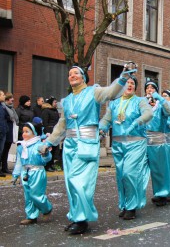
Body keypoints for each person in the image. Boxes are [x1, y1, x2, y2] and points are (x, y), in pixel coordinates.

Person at [41, 65, 130, 234]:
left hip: (87, 144)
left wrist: (123, 78)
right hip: (69, 146)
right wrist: (49, 143)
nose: (72, 75)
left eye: (76, 73)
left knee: (79, 182)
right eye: (69, 74)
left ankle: (82, 219)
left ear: (83, 77)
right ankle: (77, 217)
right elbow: (62, 126)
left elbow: (111, 92)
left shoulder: (93, 92)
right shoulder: (66, 101)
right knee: (71, 183)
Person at [100, 75, 152, 220]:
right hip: (118, 143)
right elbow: (107, 119)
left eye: (132, 83)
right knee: (121, 175)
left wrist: (137, 122)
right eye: (127, 83)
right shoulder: (114, 104)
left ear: (135, 87)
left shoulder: (140, 101)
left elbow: (149, 113)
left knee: (129, 173)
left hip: (136, 142)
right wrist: (102, 128)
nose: (129, 85)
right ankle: (124, 204)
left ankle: (132, 206)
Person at [12, 121, 53, 225]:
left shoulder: (40, 145)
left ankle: (47, 208)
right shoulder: (21, 147)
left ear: (34, 132)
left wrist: (45, 153)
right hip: (25, 172)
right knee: (28, 196)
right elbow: (19, 162)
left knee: (36, 194)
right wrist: (15, 175)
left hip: (37, 172)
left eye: (27, 131)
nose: (24, 134)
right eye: (23, 132)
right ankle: (31, 216)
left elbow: (47, 159)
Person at [145, 80, 170, 206]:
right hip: (142, 140)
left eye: (153, 88)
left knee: (159, 169)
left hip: (157, 139)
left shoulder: (162, 104)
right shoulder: (142, 103)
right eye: (147, 87)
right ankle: (135, 198)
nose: (149, 89)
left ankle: (162, 193)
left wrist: (160, 99)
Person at [1, 93, 19, 174]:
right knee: (2, 150)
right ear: (7, 99)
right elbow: (6, 118)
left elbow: (15, 118)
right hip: (5, 130)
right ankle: (2, 167)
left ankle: (5, 167)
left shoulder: (12, 108)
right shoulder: (4, 107)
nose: (13, 99)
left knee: (6, 150)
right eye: (11, 98)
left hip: (10, 131)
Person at [41, 96, 60, 172]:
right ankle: (47, 165)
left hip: (55, 131)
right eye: (55, 102)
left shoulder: (55, 111)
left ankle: (52, 164)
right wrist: (46, 132)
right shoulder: (46, 111)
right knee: (49, 149)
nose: (56, 104)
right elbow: (45, 122)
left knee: (55, 149)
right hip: (49, 131)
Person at [0, 90, 9, 177]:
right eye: (2, 95)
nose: (4, 96)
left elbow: (7, 116)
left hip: (3, 131)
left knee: (1, 151)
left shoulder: (3, 106)